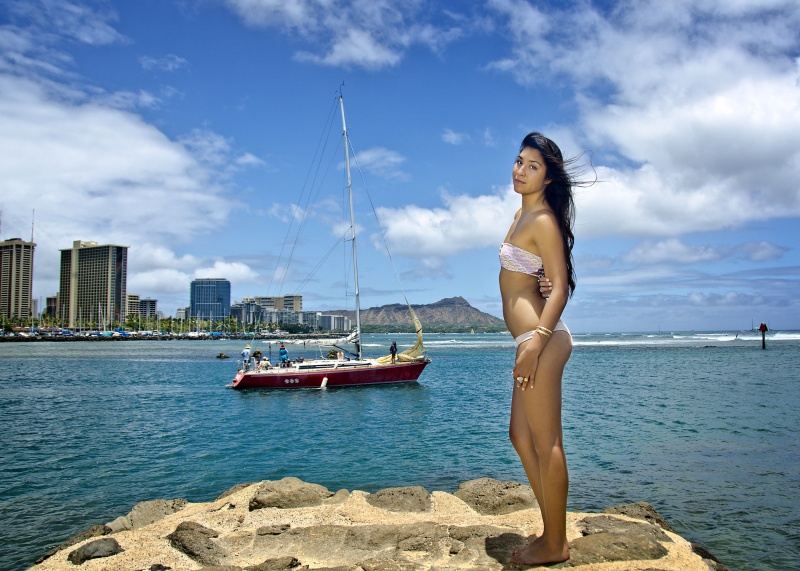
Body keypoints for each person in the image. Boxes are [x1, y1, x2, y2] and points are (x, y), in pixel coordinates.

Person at [499, 132, 581, 566]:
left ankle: (554, 543)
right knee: (519, 436)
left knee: (548, 442)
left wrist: (536, 344)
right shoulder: (519, 214)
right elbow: (540, 279)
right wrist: (540, 284)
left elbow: (561, 287)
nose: (521, 170)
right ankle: (552, 530)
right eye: (519, 161)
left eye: (533, 166)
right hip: (528, 342)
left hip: (541, 343)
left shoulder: (543, 220)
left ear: (548, 179)